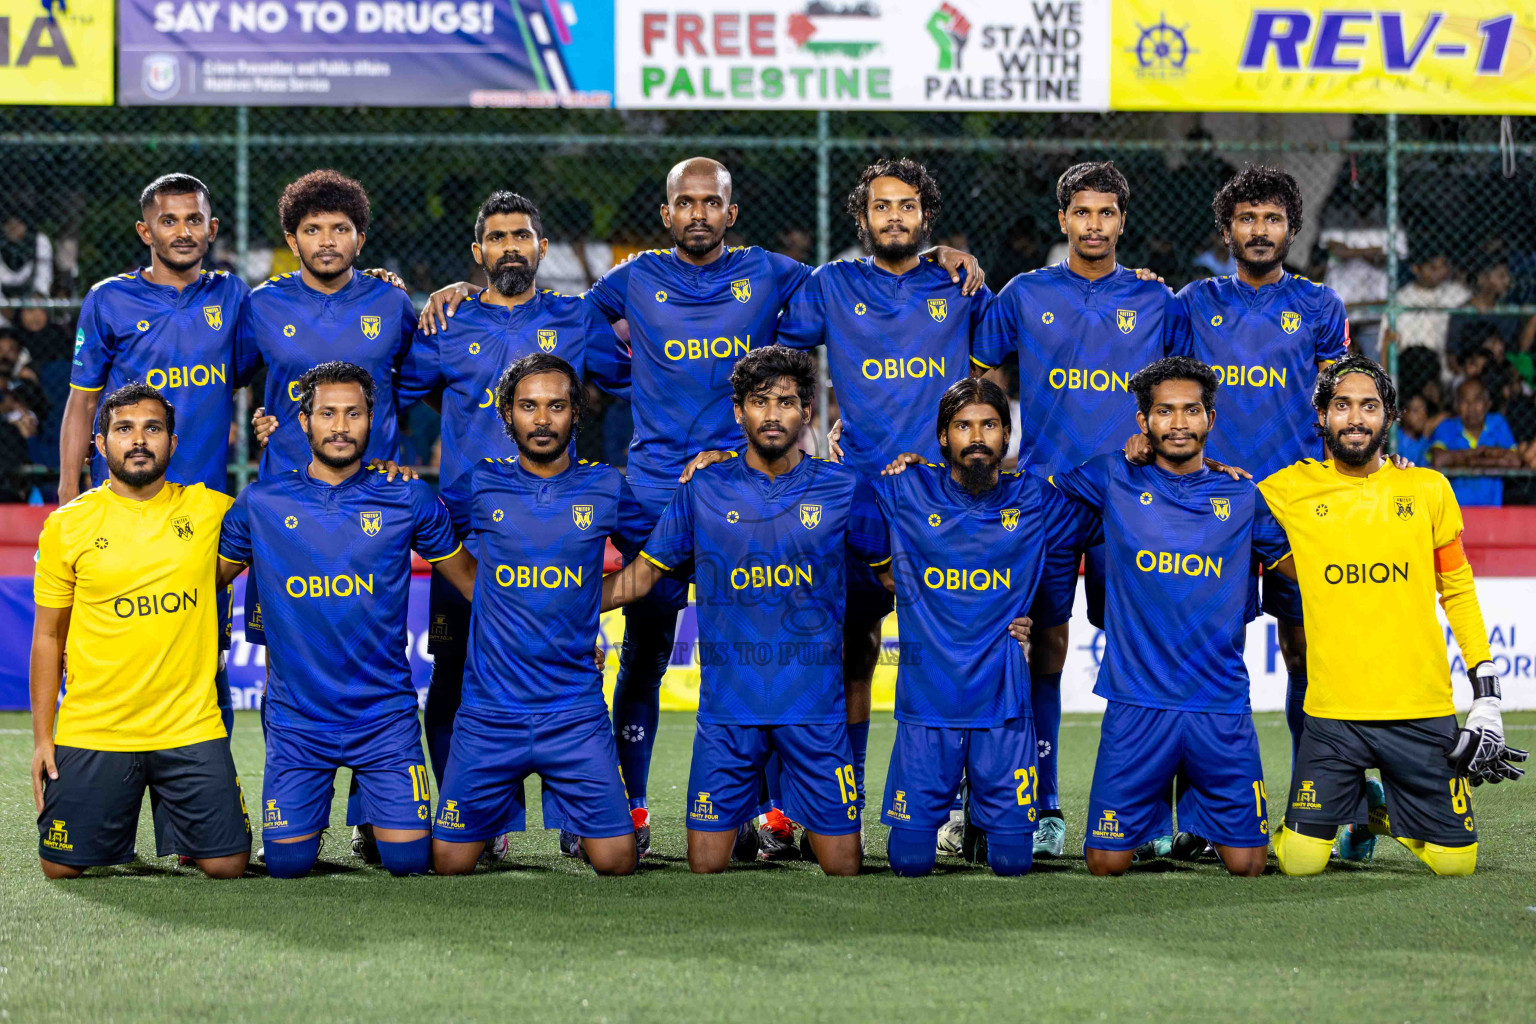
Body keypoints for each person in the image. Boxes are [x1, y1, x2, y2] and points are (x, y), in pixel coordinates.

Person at [420, 156, 981, 855]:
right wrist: (464, 295)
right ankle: (623, 808)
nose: (697, 214)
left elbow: (865, 287)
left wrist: (936, 256)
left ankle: (773, 814)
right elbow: (561, 322)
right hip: (655, 491)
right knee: (646, 652)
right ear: (667, 214)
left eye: (710, 203)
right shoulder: (631, 281)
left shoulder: (775, 273)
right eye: (684, 203)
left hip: (749, 492)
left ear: (729, 212)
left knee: (768, 650)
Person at [389, 191, 630, 859]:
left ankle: (579, 819)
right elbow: (391, 399)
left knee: (574, 669)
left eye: (522, 235)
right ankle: (477, 817)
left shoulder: (574, 319)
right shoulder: (447, 322)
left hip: (556, 533)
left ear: (542, 247)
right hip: (469, 537)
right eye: (496, 238)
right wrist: (394, 469)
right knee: (453, 673)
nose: (510, 247)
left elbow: (638, 378)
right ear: (479, 253)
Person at [773, 157, 994, 857]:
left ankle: (964, 812)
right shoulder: (832, 285)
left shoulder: (958, 283)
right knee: (847, 659)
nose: (893, 217)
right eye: (881, 207)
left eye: (907, 206)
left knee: (956, 662)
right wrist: (809, 438)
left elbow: (1001, 360)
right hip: (859, 499)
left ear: (926, 216)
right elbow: (777, 356)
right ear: (861, 219)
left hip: (947, 503)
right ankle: (830, 809)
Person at [970, 160, 1192, 859]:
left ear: (1123, 222)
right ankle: (1043, 805)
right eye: (1082, 213)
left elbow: (1183, 389)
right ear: (1063, 219)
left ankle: (1151, 816)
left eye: (1107, 213)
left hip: (1137, 496)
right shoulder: (1023, 293)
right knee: (1044, 646)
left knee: (1144, 648)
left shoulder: (1160, 303)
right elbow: (981, 372)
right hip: (1050, 496)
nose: (1094, 225)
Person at [601, 346, 890, 875]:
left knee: (844, 869)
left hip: (816, 718)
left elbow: (905, 578)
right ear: (739, 412)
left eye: (787, 401)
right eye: (760, 402)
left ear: (807, 411)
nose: (773, 414)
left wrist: (988, 613)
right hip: (726, 717)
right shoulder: (703, 488)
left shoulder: (844, 489)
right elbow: (640, 578)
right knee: (705, 866)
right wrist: (552, 603)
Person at [1261, 357, 1526, 877]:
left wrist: (1487, 693)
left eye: (1369, 406)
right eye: (1341, 405)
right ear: (1321, 416)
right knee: (1300, 863)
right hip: (1334, 714)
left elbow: (1458, 589)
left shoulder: (1428, 489)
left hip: (1420, 709)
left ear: (1390, 417)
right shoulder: (1287, 490)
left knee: (1457, 865)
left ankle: (1378, 816)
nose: (1355, 418)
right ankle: (1352, 803)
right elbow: (1215, 500)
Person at [216, 362, 475, 879]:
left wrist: (563, 628)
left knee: (410, 862)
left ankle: (378, 820)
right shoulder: (262, 502)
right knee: (288, 865)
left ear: (372, 420)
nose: (340, 426)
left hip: (385, 719)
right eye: (327, 413)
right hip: (297, 722)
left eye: (353, 413)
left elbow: (473, 584)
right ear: (303, 422)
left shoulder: (408, 497)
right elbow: (203, 583)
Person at [1050, 357, 1287, 877]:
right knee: (1105, 864)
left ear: (1210, 420)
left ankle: (1194, 820)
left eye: (1191, 411)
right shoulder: (1111, 477)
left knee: (1249, 865)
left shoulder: (1244, 496)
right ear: (1143, 421)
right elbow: (1026, 496)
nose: (1178, 423)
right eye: (1164, 412)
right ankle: (1156, 823)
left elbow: (1296, 565)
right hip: (1137, 704)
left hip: (1219, 704)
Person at [1174, 166, 1350, 804]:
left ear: (1293, 230)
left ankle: (1317, 796)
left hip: (1296, 507)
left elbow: (1341, 402)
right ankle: (1197, 812)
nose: (1259, 230)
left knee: (1304, 655)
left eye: (1272, 219)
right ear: (1226, 230)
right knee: (1206, 659)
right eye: (1246, 218)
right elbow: (1165, 389)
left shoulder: (1319, 307)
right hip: (1209, 508)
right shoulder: (1192, 304)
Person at [874, 377, 1099, 877]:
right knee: (908, 862)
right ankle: (953, 822)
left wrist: (1186, 466)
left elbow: (1122, 500)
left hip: (1006, 707)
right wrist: (725, 461)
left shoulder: (1038, 500)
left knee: (1013, 864)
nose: (977, 436)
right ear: (942, 437)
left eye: (989, 425)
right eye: (963, 426)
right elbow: (826, 495)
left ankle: (985, 822)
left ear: (1007, 435)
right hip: (928, 706)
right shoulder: (904, 489)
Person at [432, 353, 644, 877]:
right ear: (507, 414)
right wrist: (482, 589)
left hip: (573, 712)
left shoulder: (606, 487)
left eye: (556, 406)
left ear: (577, 413)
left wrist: (592, 598)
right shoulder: (480, 484)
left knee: (617, 862)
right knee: (447, 863)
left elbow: (661, 555)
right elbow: (424, 526)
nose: (543, 419)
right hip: (488, 713)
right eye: (529, 406)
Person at [31, 382, 249, 879]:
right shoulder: (67, 526)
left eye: (153, 428)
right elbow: (48, 637)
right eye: (123, 429)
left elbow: (292, 504)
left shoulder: (213, 510)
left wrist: (385, 471)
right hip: (97, 726)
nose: (138, 440)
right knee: (60, 868)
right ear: (101, 442)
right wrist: (44, 739)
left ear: (172, 443)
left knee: (227, 865)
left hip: (189, 725)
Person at [60, 173, 251, 504]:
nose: (183, 232)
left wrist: (365, 284)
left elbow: (291, 329)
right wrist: (67, 491)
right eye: (168, 221)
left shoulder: (233, 295)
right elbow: (83, 401)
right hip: (122, 495)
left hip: (202, 498)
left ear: (212, 229)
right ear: (146, 232)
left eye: (194, 220)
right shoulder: (108, 299)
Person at [1429, 378, 1520, 507]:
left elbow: (1514, 461)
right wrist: (1481, 452)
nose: (1471, 407)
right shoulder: (1446, 427)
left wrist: (1468, 461)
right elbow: (1438, 459)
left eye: (1477, 400)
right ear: (1457, 406)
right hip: (1455, 512)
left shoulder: (1498, 423)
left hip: (1492, 510)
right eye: (1465, 401)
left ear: (1487, 403)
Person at [1392, 249, 1470, 359]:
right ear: (1416, 269)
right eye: (1433, 267)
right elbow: (1387, 342)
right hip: (1408, 363)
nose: (1440, 272)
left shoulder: (1458, 293)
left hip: (1447, 366)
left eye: (1444, 266)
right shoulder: (1400, 298)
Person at [1397, 392, 1447, 467]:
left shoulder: (1426, 439)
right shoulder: (1396, 439)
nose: (1422, 415)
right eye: (1416, 411)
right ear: (1403, 414)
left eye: (1424, 410)